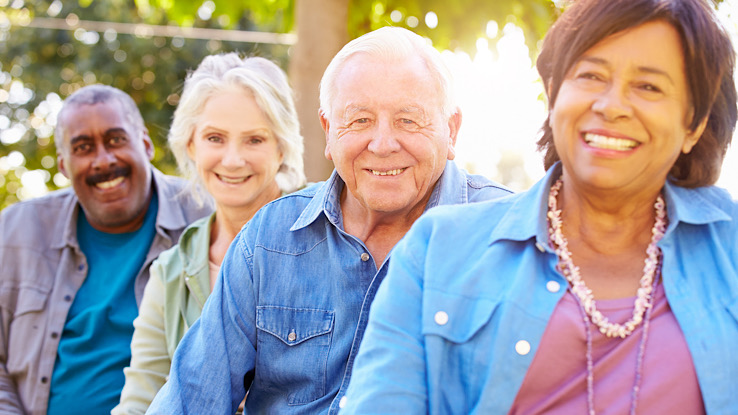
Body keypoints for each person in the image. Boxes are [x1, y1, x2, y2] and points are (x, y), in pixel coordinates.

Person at [339, 0, 738, 413]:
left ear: (694, 124)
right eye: (591, 75)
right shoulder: (437, 250)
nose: (612, 105)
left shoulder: (730, 248)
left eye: (649, 86)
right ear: (553, 93)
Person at [146, 26, 512, 414]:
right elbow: (192, 396)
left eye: (409, 120)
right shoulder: (270, 238)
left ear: (451, 129)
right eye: (359, 121)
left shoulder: (507, 237)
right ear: (328, 130)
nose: (383, 144)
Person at [112, 53, 305, 415]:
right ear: (190, 145)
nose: (232, 160)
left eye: (254, 140)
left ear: (282, 147)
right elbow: (140, 401)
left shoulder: (330, 237)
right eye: (215, 138)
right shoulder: (170, 273)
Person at [0, 85, 211, 414]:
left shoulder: (206, 217)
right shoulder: (16, 232)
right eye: (83, 147)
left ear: (145, 144)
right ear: (63, 166)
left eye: (116, 140)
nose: (103, 160)